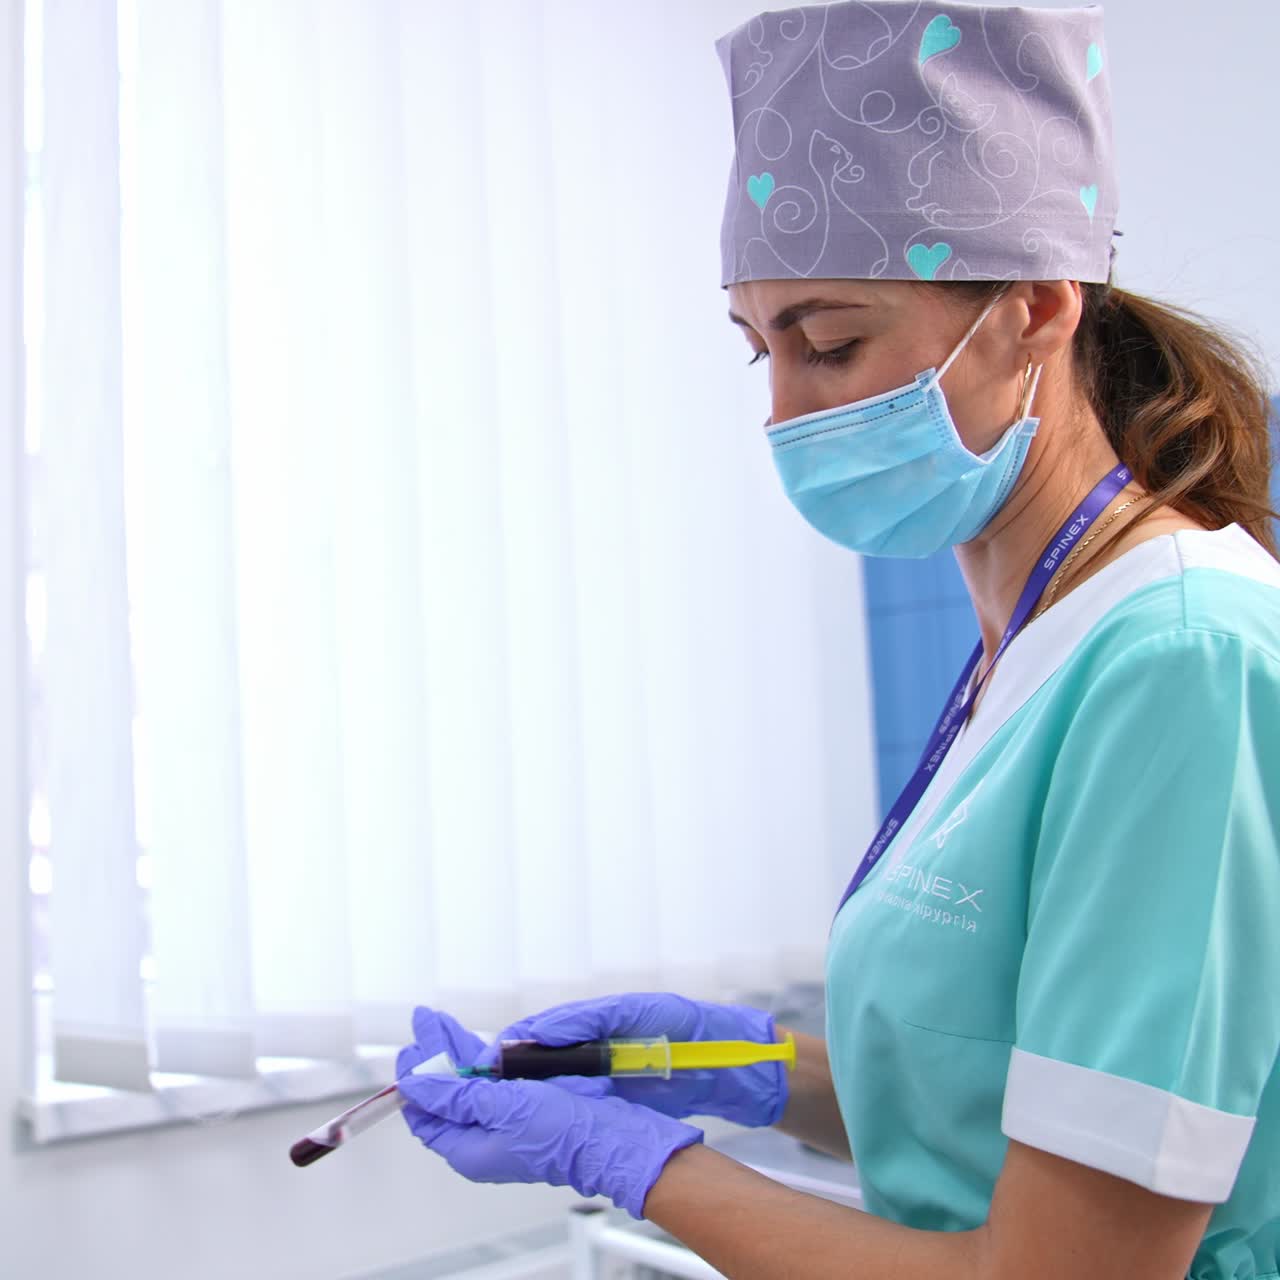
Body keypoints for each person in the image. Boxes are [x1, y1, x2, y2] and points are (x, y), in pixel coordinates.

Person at [395, 4, 1280, 1277]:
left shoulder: (1180, 661)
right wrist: (720, 1065)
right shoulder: (1027, 639)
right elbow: (990, 1113)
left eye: (828, 343)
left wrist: (638, 1165)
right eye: (757, 349)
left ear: (1035, 305)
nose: (782, 412)